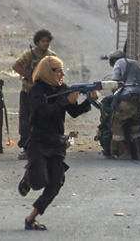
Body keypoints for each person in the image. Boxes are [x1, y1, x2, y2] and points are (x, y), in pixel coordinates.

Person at [17, 56, 98, 230]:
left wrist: (88, 100)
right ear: (49, 71)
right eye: (58, 70)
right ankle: (29, 179)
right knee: (40, 180)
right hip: (38, 141)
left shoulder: (63, 88)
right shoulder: (37, 90)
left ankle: (31, 219)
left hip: (56, 143)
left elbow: (74, 111)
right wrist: (65, 101)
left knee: (56, 183)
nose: (62, 74)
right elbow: (44, 111)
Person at [12, 29, 57, 160]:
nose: (45, 44)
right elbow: (16, 66)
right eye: (43, 41)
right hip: (28, 92)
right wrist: (29, 76)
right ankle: (27, 149)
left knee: (43, 122)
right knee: (26, 121)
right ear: (37, 42)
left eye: (47, 41)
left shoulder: (51, 56)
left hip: (45, 95)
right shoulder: (30, 54)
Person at [108, 50, 140, 160]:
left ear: (113, 60)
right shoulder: (139, 64)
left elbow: (115, 84)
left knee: (116, 124)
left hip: (128, 98)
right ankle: (139, 154)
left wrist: (116, 99)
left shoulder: (119, 63)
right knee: (135, 127)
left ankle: (126, 153)